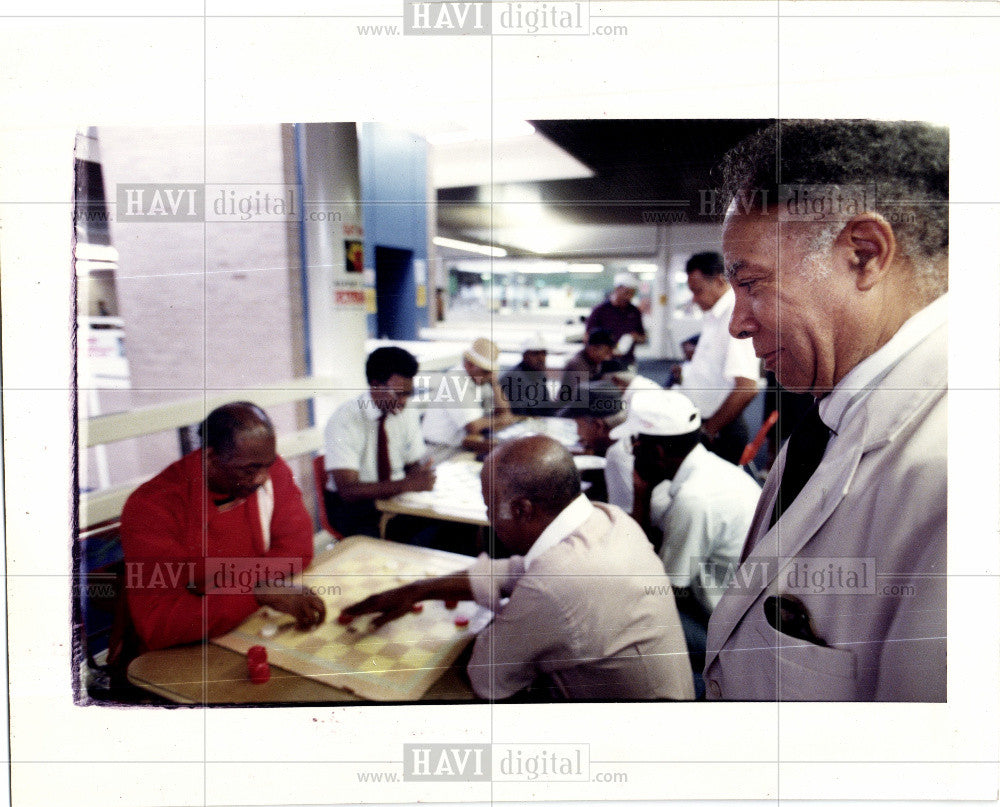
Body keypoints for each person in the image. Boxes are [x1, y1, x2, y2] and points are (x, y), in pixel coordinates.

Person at [705, 119, 948, 701]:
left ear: (863, 255)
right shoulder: (830, 415)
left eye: (754, 283)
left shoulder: (954, 469)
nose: (738, 322)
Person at [343, 436, 695, 701]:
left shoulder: (555, 584)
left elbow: (486, 679)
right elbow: (518, 570)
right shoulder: (608, 518)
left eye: (490, 508)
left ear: (523, 510)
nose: (487, 519)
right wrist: (420, 589)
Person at [119, 402, 325, 652]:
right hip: (179, 651)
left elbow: (298, 550)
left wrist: (219, 588)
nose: (261, 478)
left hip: (244, 625)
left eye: (267, 466)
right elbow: (159, 623)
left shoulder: (267, 467)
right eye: (249, 470)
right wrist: (255, 592)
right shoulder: (152, 506)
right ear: (210, 457)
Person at [610, 389, 761, 678]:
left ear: (657, 452)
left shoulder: (694, 500)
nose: (631, 451)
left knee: (618, 610)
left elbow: (664, 590)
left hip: (729, 633)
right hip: (744, 613)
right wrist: (643, 494)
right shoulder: (713, 470)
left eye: (634, 443)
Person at [323, 347, 435, 538]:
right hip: (355, 508)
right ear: (375, 385)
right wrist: (407, 484)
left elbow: (412, 464)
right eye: (398, 394)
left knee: (449, 528)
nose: (404, 401)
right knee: (404, 537)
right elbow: (348, 491)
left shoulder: (405, 413)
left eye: (409, 393)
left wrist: (419, 473)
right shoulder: (345, 420)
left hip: (396, 499)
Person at [672, 251, 760, 465]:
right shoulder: (715, 315)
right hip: (708, 423)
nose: (694, 299)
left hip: (720, 430)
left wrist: (708, 432)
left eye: (698, 291)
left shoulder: (734, 316)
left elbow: (747, 387)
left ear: (720, 281)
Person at [422, 336, 516, 449]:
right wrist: (501, 420)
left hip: (463, 444)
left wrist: (494, 382)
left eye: (492, 372)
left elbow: (504, 411)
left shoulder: (481, 378)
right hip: (440, 449)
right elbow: (474, 426)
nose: (489, 376)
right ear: (469, 365)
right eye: (486, 371)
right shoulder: (455, 380)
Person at [585, 272, 647, 365]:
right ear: (617, 289)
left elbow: (643, 337)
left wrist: (634, 337)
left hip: (627, 361)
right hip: (603, 361)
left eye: (632, 294)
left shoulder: (634, 311)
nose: (629, 297)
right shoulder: (599, 310)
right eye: (626, 293)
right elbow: (587, 338)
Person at [500, 332, 552, 416]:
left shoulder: (540, 375)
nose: (541, 358)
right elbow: (521, 412)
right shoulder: (513, 378)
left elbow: (547, 407)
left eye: (543, 353)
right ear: (525, 356)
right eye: (535, 354)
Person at [559, 328, 615, 405]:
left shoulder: (596, 362)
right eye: (606, 352)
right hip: (568, 411)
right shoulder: (577, 365)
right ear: (593, 349)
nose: (608, 357)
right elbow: (582, 397)